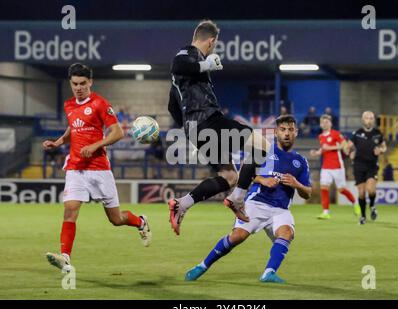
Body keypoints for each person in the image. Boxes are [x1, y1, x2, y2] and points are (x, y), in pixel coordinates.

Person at [42, 63, 152, 272]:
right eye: (75, 83)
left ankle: (140, 222)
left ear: (90, 82)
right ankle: (65, 257)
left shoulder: (100, 104)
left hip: (99, 169)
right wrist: (58, 142)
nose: (79, 87)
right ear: (70, 83)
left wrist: (95, 145)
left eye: (83, 83)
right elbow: (72, 127)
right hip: (76, 167)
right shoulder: (69, 105)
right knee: (70, 210)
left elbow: (117, 132)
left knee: (116, 219)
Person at [167, 20, 269, 235]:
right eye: (215, 44)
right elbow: (178, 64)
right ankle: (238, 199)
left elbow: (172, 107)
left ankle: (182, 204)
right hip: (209, 122)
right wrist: (206, 65)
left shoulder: (181, 80)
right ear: (211, 41)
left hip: (196, 128)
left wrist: (189, 128)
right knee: (262, 144)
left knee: (229, 177)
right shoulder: (189, 53)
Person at [184, 115, 312, 283]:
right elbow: (245, 173)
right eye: (283, 130)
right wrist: (262, 180)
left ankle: (269, 273)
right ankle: (202, 265)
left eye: (290, 130)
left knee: (286, 233)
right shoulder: (265, 149)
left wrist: (297, 184)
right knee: (237, 237)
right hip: (256, 203)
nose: (286, 133)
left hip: (280, 209)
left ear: (296, 132)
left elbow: (307, 193)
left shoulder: (300, 161)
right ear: (276, 132)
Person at [309, 115, 360, 219]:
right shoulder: (321, 136)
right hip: (326, 167)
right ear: (320, 124)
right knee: (324, 187)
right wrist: (316, 152)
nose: (325, 124)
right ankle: (326, 212)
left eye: (327, 122)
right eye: (323, 122)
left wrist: (330, 147)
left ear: (330, 123)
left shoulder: (336, 134)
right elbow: (323, 149)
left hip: (337, 166)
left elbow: (344, 145)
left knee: (341, 190)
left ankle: (355, 203)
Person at [344, 111, 387, 225]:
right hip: (358, 165)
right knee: (361, 192)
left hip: (372, 165)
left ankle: (372, 205)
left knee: (370, 189)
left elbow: (384, 147)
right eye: (366, 118)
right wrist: (349, 151)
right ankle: (363, 216)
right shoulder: (357, 133)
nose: (369, 119)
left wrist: (381, 150)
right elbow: (348, 147)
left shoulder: (378, 133)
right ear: (363, 120)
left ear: (373, 120)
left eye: (371, 118)